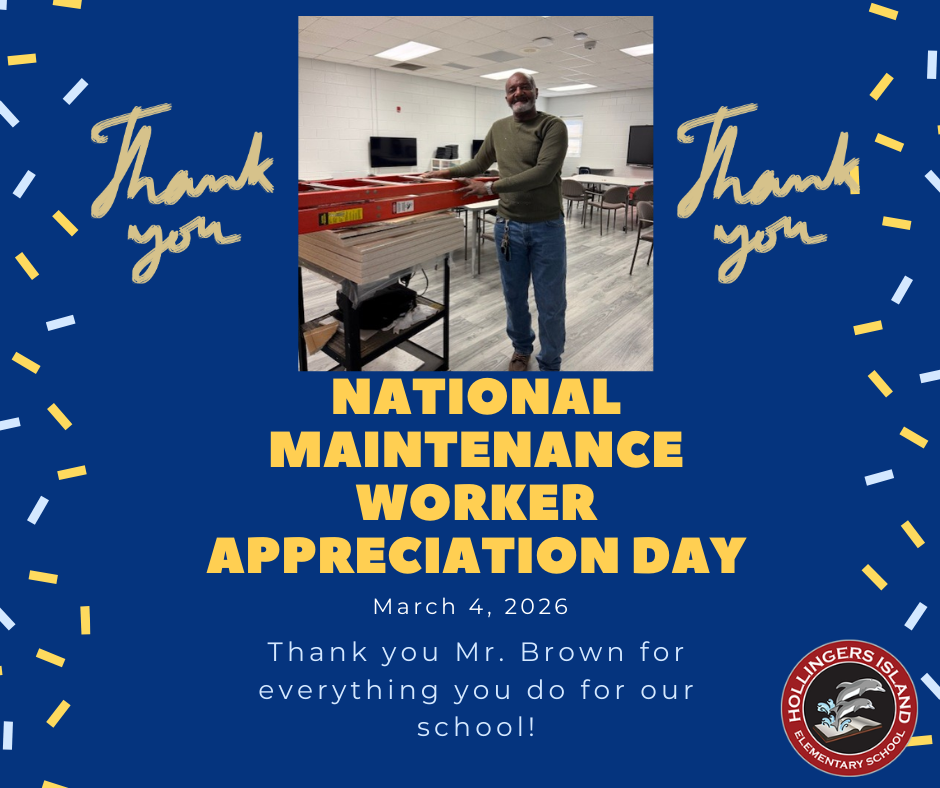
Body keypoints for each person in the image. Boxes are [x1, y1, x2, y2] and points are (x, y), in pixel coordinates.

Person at [421, 72, 568, 372]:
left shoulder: (553, 126)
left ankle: (550, 363)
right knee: (514, 297)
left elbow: (543, 173)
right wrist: (444, 173)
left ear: (536, 92)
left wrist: (490, 187)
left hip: (547, 228)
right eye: (512, 89)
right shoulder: (499, 128)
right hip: (508, 227)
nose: (518, 93)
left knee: (551, 302)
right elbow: (478, 163)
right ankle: (521, 349)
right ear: (506, 97)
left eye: (524, 87)